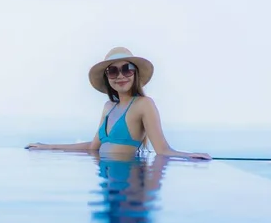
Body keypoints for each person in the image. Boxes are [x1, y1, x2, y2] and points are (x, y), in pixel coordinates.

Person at [25, 47, 212, 160]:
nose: (120, 75)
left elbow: (162, 150)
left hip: (129, 188)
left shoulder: (144, 105)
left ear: (135, 74)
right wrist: (48, 147)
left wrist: (188, 156)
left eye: (127, 69)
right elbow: (93, 147)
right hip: (106, 186)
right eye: (113, 71)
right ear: (107, 78)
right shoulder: (108, 107)